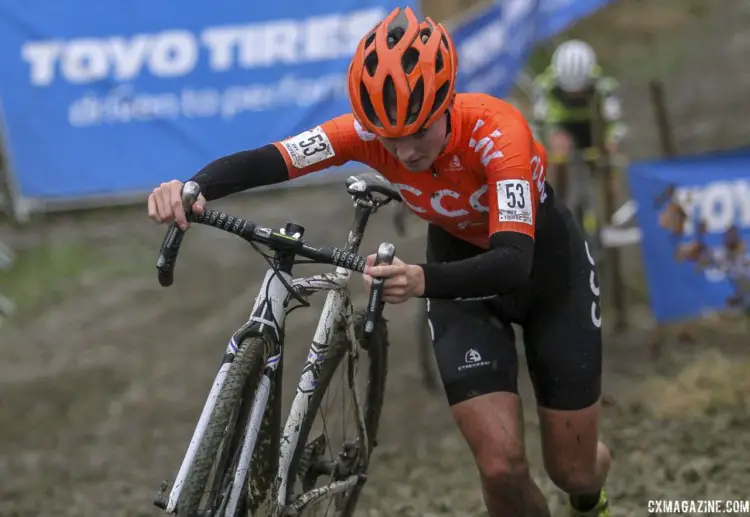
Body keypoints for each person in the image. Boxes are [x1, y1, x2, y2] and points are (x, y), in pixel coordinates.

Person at [147, 7, 611, 517]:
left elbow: (513, 261)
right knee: (500, 468)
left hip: (545, 273)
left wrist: (420, 279)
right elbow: (276, 157)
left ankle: (593, 499)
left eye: (419, 132)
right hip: (459, 277)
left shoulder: (498, 132)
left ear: (447, 104)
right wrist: (193, 185)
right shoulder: (364, 134)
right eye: (390, 136)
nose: (406, 151)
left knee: (574, 471)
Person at [532, 39, 625, 203]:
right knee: (559, 149)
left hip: (594, 125)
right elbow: (536, 125)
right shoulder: (545, 86)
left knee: (609, 155)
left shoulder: (604, 85)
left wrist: (612, 142)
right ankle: (556, 201)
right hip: (563, 126)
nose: (574, 97)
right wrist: (540, 150)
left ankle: (612, 205)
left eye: (580, 92)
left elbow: (615, 123)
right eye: (567, 93)